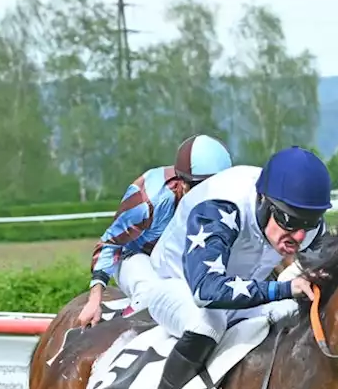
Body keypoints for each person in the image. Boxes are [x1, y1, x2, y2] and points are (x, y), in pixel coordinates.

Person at [120, 145, 331, 389]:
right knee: (209, 324)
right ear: (263, 201)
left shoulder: (306, 224)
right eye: (288, 222)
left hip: (237, 286)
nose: (297, 237)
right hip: (175, 284)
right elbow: (207, 291)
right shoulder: (222, 205)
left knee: (288, 318)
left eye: (307, 225)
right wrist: (283, 288)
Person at [78, 135, 234, 327]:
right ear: (183, 184)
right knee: (150, 296)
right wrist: (95, 300)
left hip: (178, 256)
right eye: (203, 188)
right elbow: (110, 244)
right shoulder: (147, 202)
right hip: (135, 255)